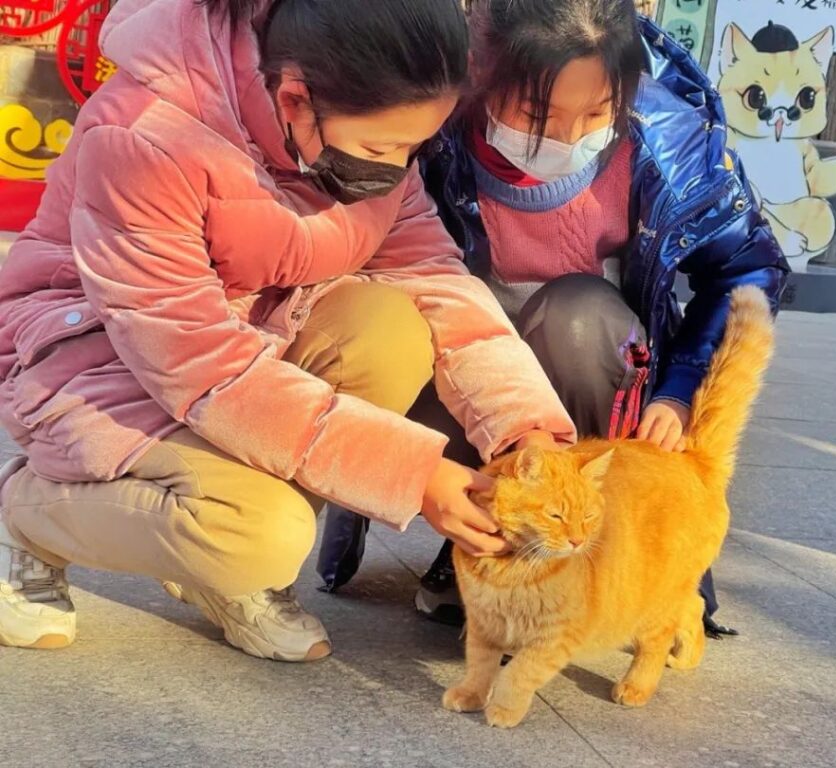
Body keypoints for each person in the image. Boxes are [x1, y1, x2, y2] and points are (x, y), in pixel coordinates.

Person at [0, 0, 575, 662]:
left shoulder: (359, 117)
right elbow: (202, 367)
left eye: (413, 147)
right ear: (296, 99)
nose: (395, 167)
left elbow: (436, 278)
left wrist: (527, 428)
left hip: (248, 343)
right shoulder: (146, 135)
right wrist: (413, 475)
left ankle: (224, 571)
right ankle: (33, 515)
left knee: (387, 334)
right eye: (380, 148)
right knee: (264, 534)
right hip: (99, 357)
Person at [318, 0, 789, 633]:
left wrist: (679, 391)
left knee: (578, 317)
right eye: (537, 114)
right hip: (452, 368)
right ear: (482, 74)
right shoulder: (425, 126)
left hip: (588, 371)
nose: (567, 138)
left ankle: (591, 564)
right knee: (387, 329)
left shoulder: (670, 141)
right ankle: (475, 550)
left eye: (597, 112)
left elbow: (745, 267)